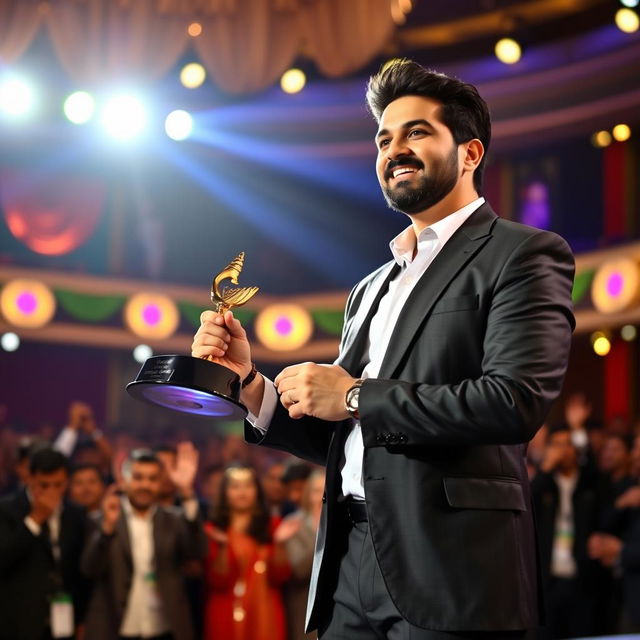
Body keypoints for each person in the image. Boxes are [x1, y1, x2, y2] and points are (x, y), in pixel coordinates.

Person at [192, 59, 575, 639]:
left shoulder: (522, 254)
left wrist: (351, 395)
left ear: (470, 153)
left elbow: (514, 402)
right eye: (384, 138)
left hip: (451, 566)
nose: (395, 149)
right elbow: (346, 433)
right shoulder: (371, 287)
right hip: (348, 561)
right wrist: (249, 385)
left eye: (416, 132)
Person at [81, 444, 205, 640]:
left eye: (152, 479)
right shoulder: (101, 519)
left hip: (164, 628)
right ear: (124, 480)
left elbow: (196, 552)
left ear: (161, 482)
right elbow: (89, 570)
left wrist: (187, 493)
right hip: (115, 628)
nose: (145, 485)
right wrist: (107, 529)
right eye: (138, 478)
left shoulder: (174, 519)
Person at [0, 447, 88, 640]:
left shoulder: (75, 515)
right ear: (30, 479)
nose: (51, 492)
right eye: (44, 485)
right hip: (19, 623)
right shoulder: (6, 510)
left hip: (64, 621)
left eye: (58, 485)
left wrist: (81, 619)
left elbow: (79, 574)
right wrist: (35, 519)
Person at [530, 426, 604, 638]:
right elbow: (528, 504)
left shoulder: (588, 482)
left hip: (582, 580)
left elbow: (594, 469)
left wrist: (580, 428)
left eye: (568, 444)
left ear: (576, 449)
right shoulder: (545, 484)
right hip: (548, 582)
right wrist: (545, 469)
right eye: (557, 445)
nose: (563, 451)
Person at [203, 464, 290, 640]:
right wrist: (223, 547)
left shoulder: (273, 526)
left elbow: (280, 577)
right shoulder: (213, 530)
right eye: (235, 487)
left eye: (248, 486)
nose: (242, 492)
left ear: (257, 490)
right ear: (224, 493)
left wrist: (279, 544)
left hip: (265, 611)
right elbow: (217, 581)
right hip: (226, 611)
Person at [276, 469, 325, 640]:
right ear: (308, 494)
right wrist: (325, 536)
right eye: (317, 491)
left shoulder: (348, 524)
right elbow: (298, 571)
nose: (322, 497)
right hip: (304, 610)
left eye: (327, 490)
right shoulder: (293, 523)